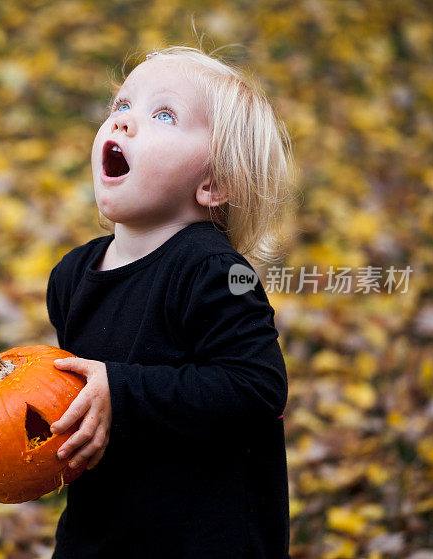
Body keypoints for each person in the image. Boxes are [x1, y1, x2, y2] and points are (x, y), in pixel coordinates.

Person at [45, 45, 297, 558]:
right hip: (100, 534)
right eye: (121, 106)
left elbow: (258, 387)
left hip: (204, 539)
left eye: (163, 115)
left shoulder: (217, 272)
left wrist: (122, 390)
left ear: (214, 184)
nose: (125, 124)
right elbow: (86, 393)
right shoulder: (72, 276)